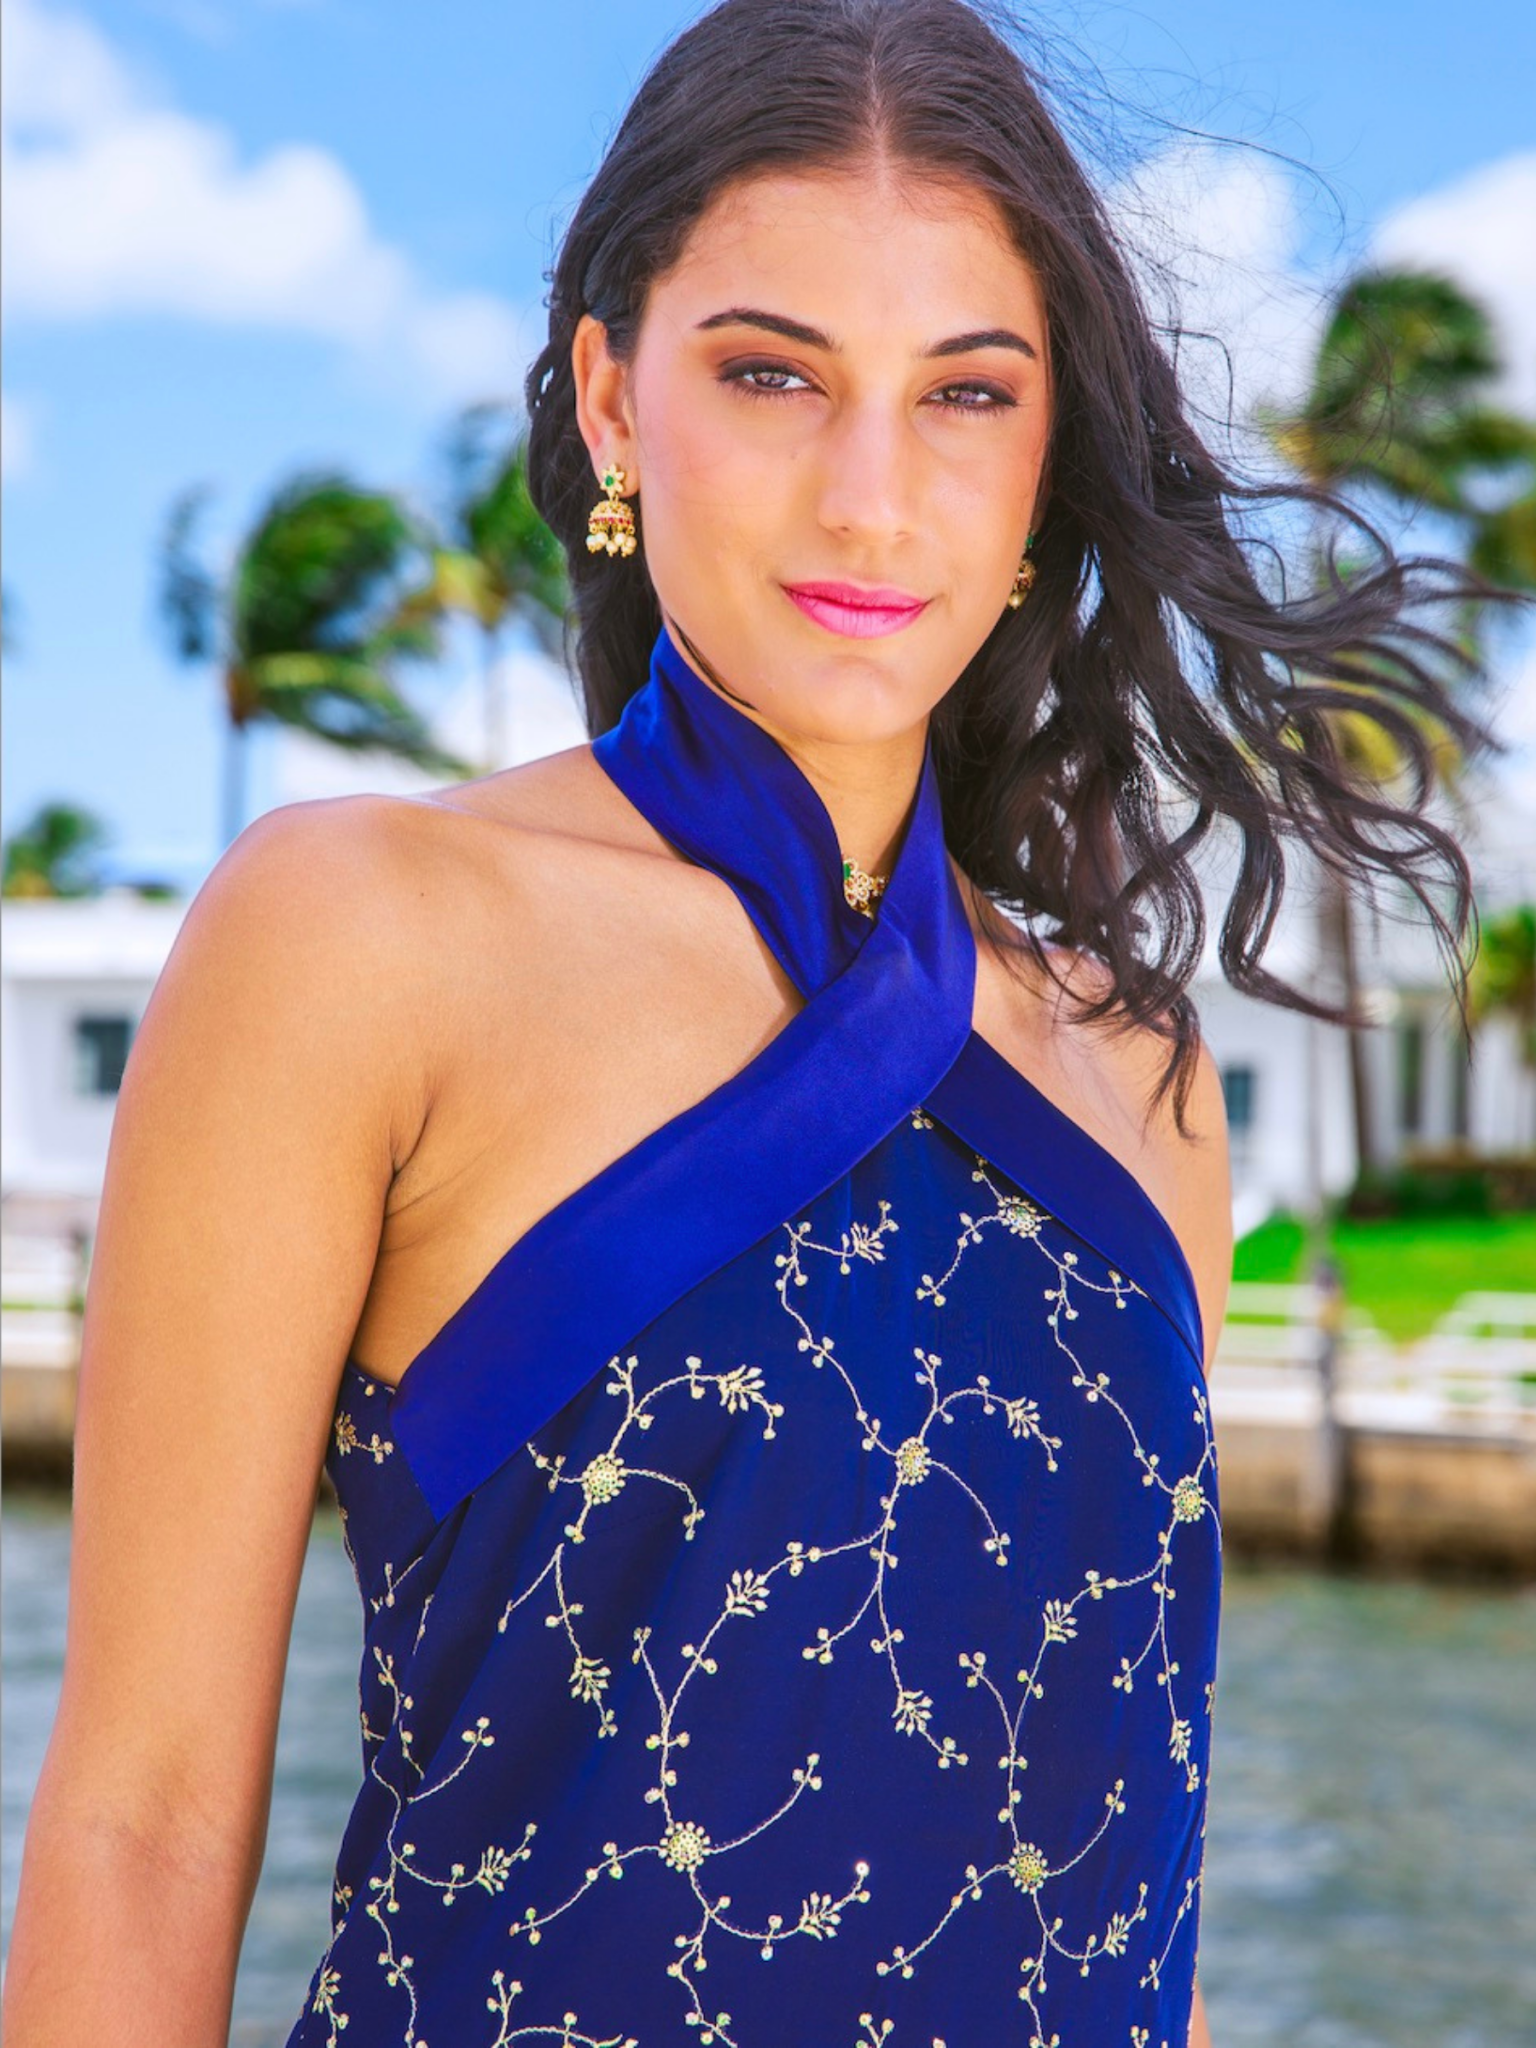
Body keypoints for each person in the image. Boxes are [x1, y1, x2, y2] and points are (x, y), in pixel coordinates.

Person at [4, 3, 1492, 2045]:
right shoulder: (357, 937)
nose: (874, 502)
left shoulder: (1132, 1064)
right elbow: (148, 1817)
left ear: (1048, 453)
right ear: (615, 401)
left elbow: (1138, 1872)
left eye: (965, 393)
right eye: (775, 372)